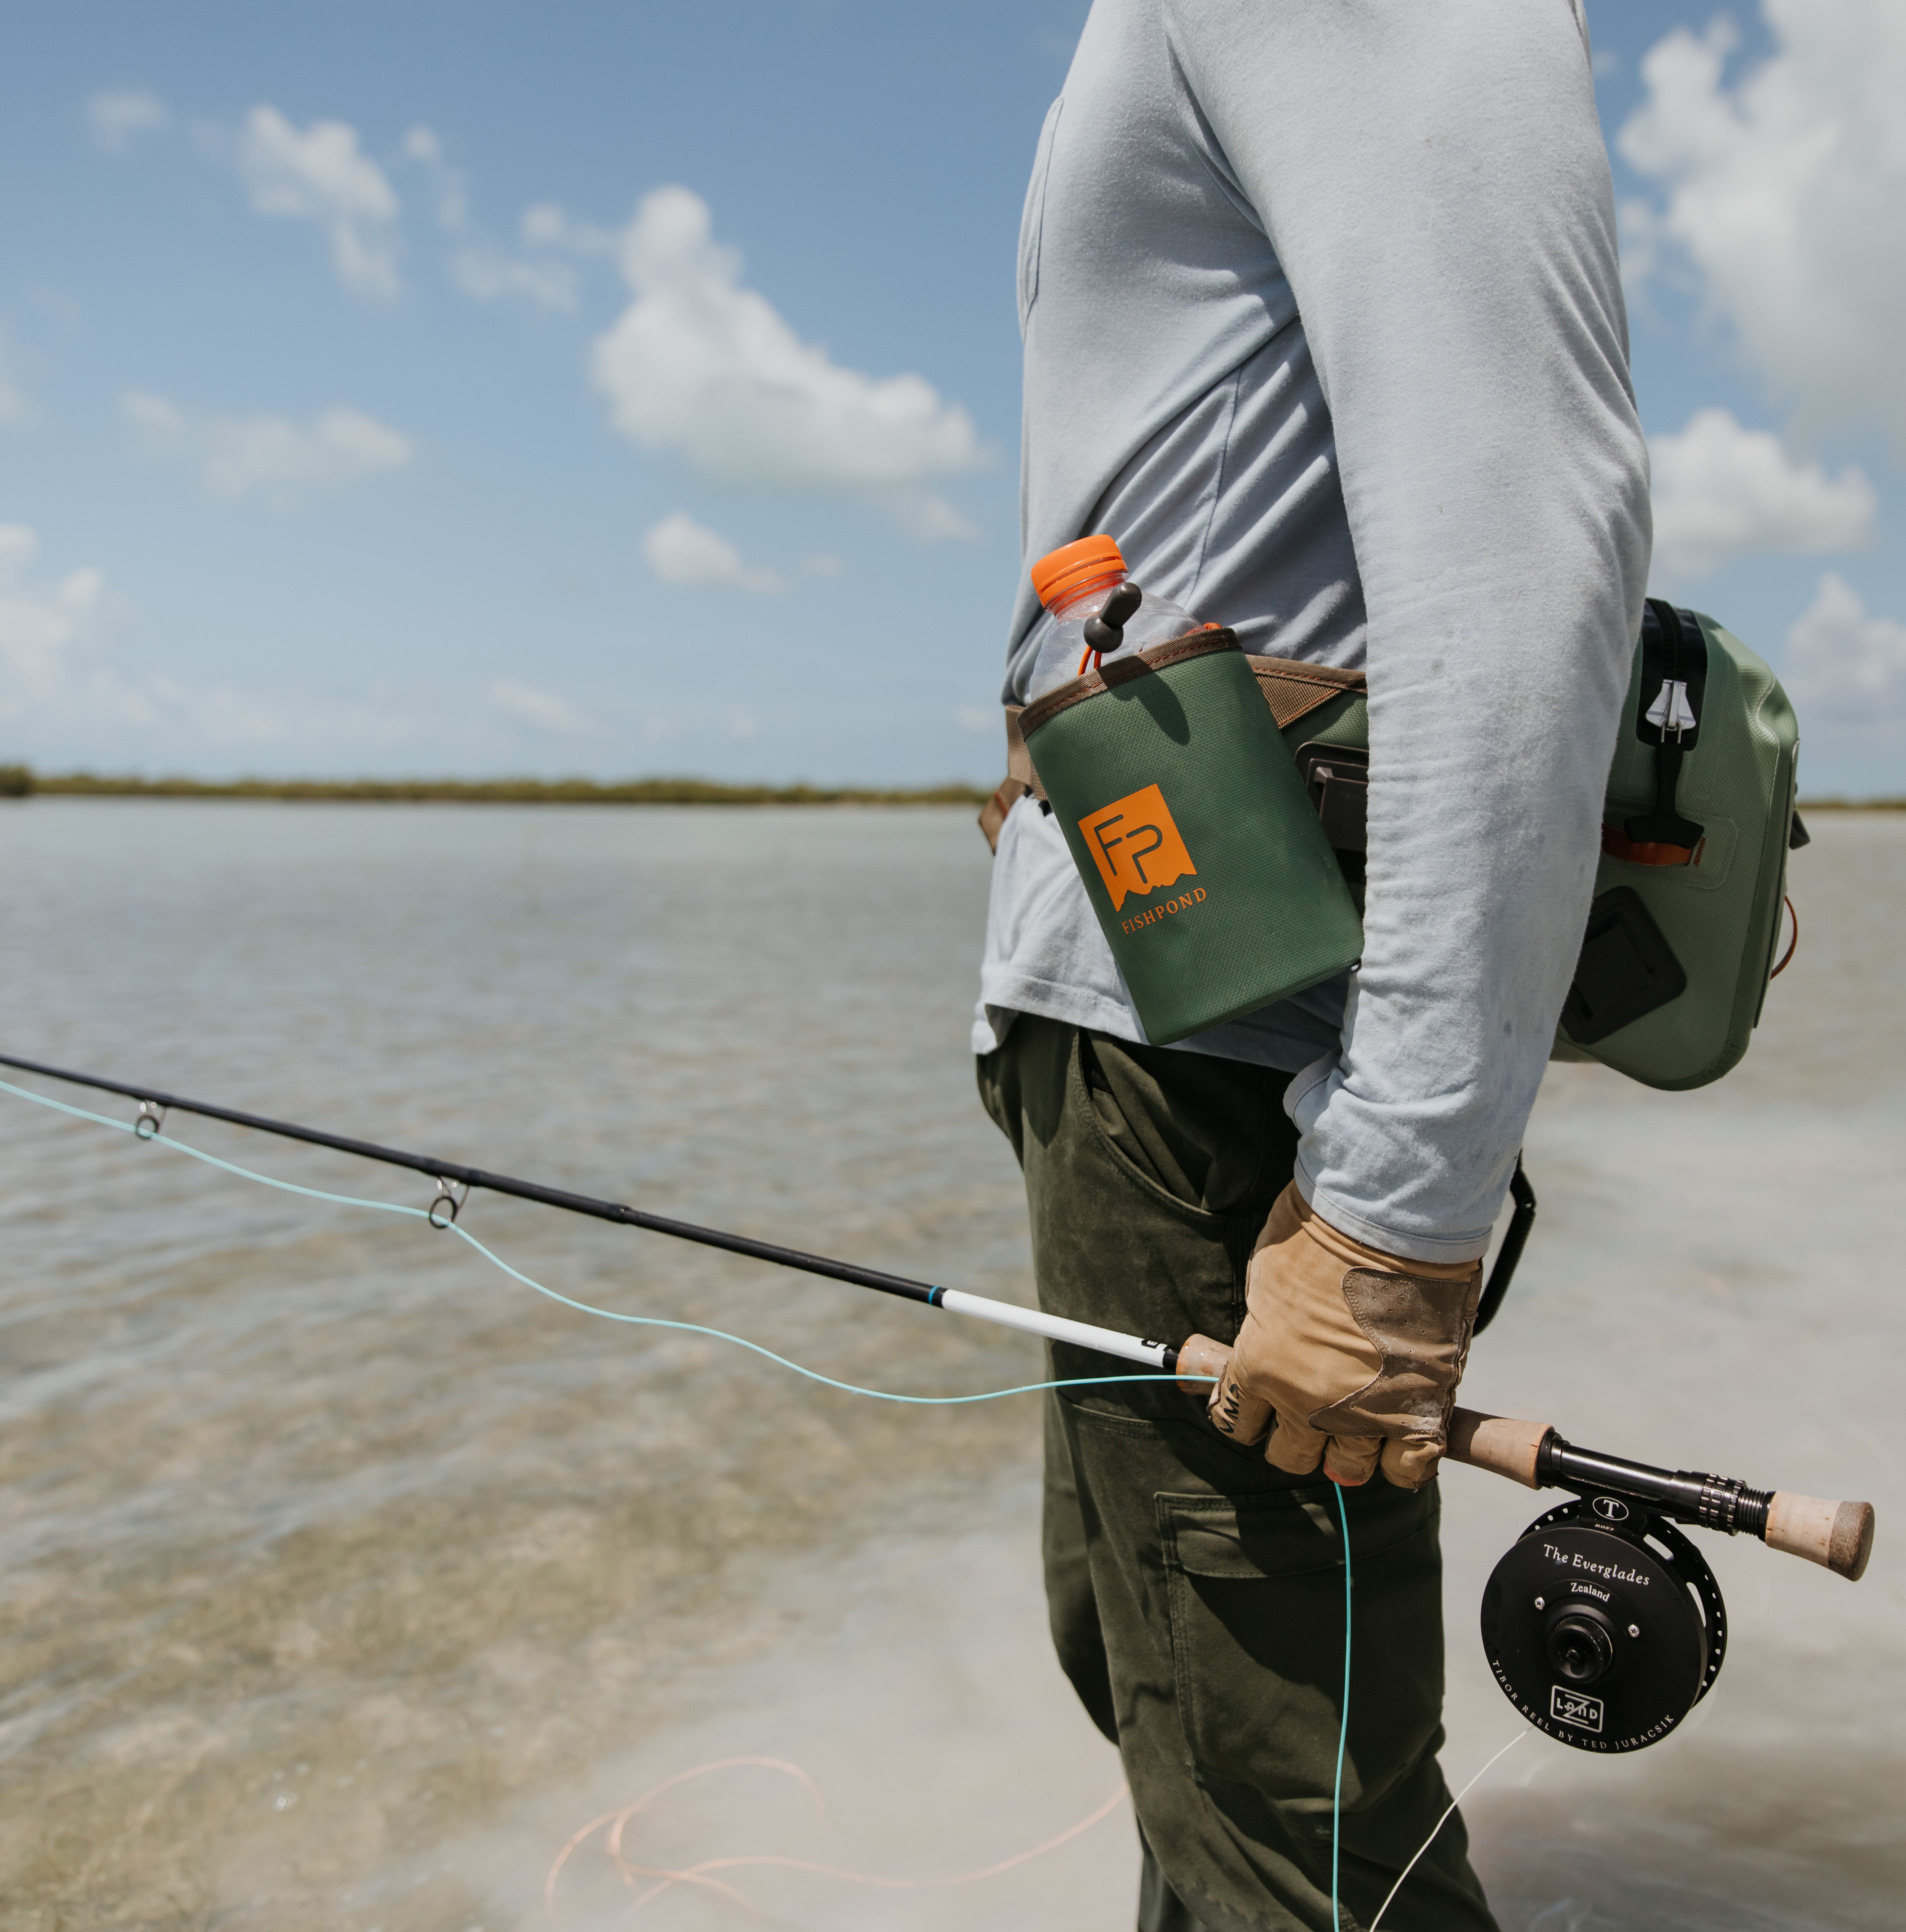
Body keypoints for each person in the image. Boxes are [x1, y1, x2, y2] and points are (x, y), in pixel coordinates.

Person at [972, 3, 1650, 1927]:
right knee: (1175, 1707)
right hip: (1126, 1020)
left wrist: (1396, 1210)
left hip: (1229, 1072)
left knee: (1294, 1835)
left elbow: (1528, 537)